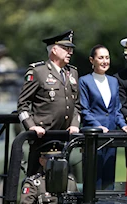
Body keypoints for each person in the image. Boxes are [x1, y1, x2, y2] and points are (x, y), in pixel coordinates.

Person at [17, 30, 81, 177]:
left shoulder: (72, 72)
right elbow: (23, 104)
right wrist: (31, 126)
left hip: (64, 138)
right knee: (36, 180)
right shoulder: (38, 71)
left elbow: (77, 105)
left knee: (62, 182)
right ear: (54, 49)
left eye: (71, 49)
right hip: (42, 138)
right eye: (66, 48)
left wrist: (75, 125)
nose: (70, 52)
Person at [79, 44, 127, 190]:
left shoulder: (113, 81)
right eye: (101, 57)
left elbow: (116, 110)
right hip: (94, 136)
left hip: (111, 135)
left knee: (109, 179)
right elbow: (84, 110)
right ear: (92, 60)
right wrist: (97, 126)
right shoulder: (84, 81)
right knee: (93, 179)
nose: (105, 61)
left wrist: (123, 125)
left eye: (107, 57)